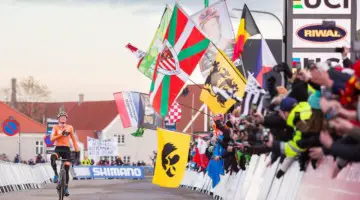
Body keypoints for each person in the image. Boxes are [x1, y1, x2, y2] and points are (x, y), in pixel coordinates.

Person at [50, 111, 80, 197]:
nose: (63, 118)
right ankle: (56, 174)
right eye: (61, 117)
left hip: (66, 150)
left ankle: (66, 188)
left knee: (66, 168)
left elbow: (74, 140)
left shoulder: (70, 127)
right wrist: (60, 135)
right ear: (58, 119)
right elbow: (51, 138)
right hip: (58, 149)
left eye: (64, 117)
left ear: (66, 119)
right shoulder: (55, 127)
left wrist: (77, 151)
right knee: (52, 158)